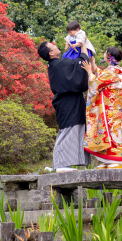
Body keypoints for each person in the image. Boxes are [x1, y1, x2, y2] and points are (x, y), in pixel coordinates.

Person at [38, 41, 91, 172]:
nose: (57, 46)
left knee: (75, 128)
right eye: (53, 46)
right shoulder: (57, 65)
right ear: (51, 53)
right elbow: (79, 64)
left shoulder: (56, 65)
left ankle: (65, 164)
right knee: (68, 129)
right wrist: (83, 45)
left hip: (70, 101)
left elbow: (72, 63)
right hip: (67, 102)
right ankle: (60, 164)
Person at [81, 47, 122, 169]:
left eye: (105, 53)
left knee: (112, 132)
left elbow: (95, 83)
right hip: (112, 107)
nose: (104, 55)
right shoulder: (115, 70)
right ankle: (110, 160)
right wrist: (94, 65)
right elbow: (102, 76)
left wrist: (89, 72)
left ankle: (117, 160)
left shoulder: (111, 71)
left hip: (110, 108)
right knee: (111, 132)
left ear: (109, 56)